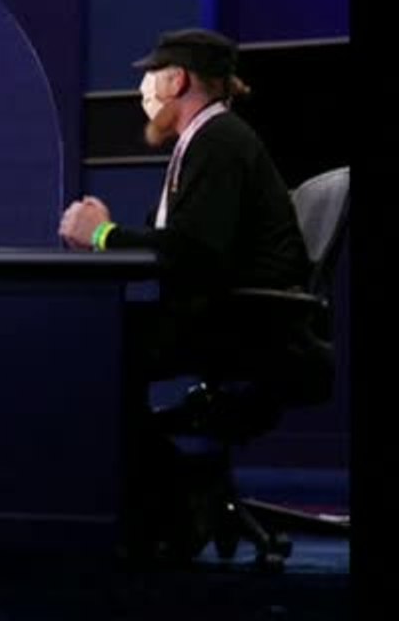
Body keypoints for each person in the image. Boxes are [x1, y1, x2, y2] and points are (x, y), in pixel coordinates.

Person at [57, 28, 311, 561]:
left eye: (153, 75)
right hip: (223, 315)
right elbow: (181, 243)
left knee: (94, 354)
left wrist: (102, 235)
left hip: (237, 324)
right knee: (99, 346)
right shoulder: (205, 142)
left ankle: (176, 500)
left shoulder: (218, 142)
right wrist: (110, 234)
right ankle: (171, 498)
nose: (146, 89)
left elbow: (193, 254)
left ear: (178, 79)